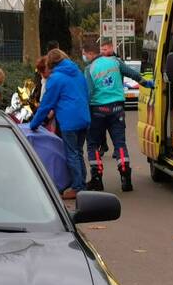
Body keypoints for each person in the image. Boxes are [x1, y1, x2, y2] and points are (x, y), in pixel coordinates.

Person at [84, 37, 154, 192]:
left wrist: (85, 112)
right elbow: (133, 74)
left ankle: (97, 179)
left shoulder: (89, 69)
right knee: (120, 143)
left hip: (97, 110)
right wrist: (146, 83)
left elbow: (88, 92)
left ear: (90, 54)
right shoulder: (116, 62)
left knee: (93, 144)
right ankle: (125, 175)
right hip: (117, 108)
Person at [29, 49, 90, 200]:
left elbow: (46, 104)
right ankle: (82, 183)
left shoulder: (55, 78)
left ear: (50, 63)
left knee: (72, 153)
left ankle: (77, 188)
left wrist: (34, 124)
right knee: (78, 152)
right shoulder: (77, 72)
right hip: (84, 117)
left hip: (69, 120)